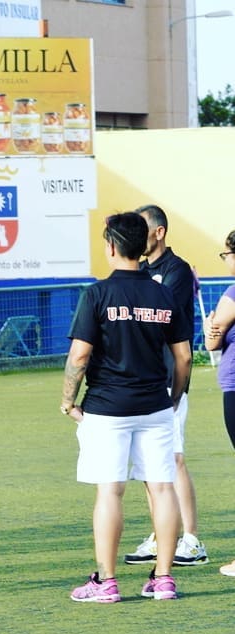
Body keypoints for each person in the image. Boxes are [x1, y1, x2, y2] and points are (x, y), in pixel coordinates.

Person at [62, 212, 192, 603]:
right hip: (155, 405)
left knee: (110, 492)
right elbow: (183, 356)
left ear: (111, 246)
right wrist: (174, 397)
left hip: (107, 407)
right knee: (162, 487)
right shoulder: (163, 293)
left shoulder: (97, 294)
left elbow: (79, 356)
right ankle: (163, 579)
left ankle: (107, 581)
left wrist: (68, 401)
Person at [123, 204, 208, 567]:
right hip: (144, 377)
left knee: (174, 457)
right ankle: (161, 536)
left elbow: (160, 316)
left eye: (142, 229)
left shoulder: (177, 270)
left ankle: (192, 540)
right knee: (148, 464)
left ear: (159, 232)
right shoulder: (140, 271)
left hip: (170, 379)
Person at [202, 231, 235, 577]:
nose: (225, 260)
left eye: (225, 255)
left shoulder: (233, 294)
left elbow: (213, 341)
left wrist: (209, 324)